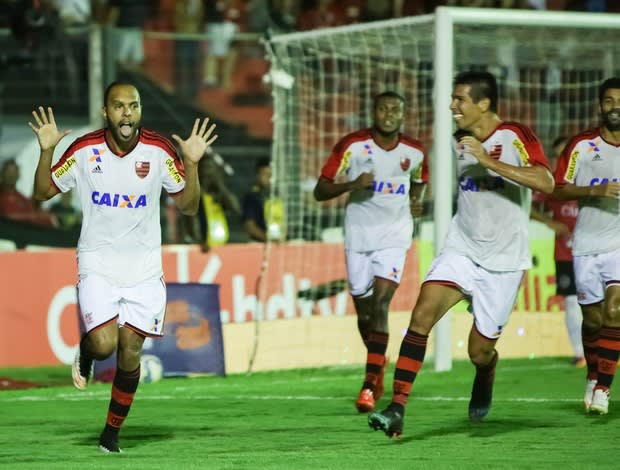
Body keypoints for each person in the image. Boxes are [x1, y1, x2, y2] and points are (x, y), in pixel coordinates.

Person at [29, 81, 217, 452]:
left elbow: (189, 206)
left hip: (144, 269)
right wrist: (48, 151)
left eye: (133, 105)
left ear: (139, 111)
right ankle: (86, 352)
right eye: (118, 106)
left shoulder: (160, 151)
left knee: (130, 350)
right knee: (104, 344)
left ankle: (111, 434)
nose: (127, 113)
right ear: (106, 112)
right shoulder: (84, 150)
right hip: (97, 262)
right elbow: (42, 192)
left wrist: (192, 165)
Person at [368, 71, 554, 438]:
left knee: (478, 352)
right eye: (452, 99)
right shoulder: (458, 140)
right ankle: (397, 407)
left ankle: (486, 371)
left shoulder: (514, 136)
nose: (452, 106)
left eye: (460, 100)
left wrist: (489, 162)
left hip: (503, 262)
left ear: (483, 104)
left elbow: (546, 182)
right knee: (421, 315)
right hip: (462, 248)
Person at [313, 91, 429, 413]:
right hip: (359, 236)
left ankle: (367, 385)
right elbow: (320, 190)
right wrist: (352, 185)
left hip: (395, 236)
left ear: (403, 115)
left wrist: (417, 200)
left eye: (395, 109)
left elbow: (421, 179)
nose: (388, 114)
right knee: (364, 314)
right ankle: (378, 366)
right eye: (383, 108)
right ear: (374, 112)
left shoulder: (415, 151)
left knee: (380, 304)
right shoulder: (351, 146)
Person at [551, 77, 620, 415]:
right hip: (586, 245)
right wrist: (596, 190)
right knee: (592, 320)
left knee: (614, 311)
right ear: (599, 106)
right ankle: (593, 375)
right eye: (609, 101)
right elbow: (557, 189)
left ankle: (604, 388)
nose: (615, 107)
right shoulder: (581, 145)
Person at [530, 135, 585, 367]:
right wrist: (548, 222)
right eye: (558, 154)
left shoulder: (592, 180)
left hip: (595, 252)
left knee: (601, 303)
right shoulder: (552, 184)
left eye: (566, 153)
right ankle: (580, 353)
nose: (562, 159)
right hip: (565, 254)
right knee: (572, 302)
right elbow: (528, 204)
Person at [241, 157, 285, 242]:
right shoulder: (252, 197)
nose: (269, 179)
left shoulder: (277, 196)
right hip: (259, 244)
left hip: (278, 243)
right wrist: (269, 240)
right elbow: (249, 226)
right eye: (265, 174)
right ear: (257, 174)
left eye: (271, 175)